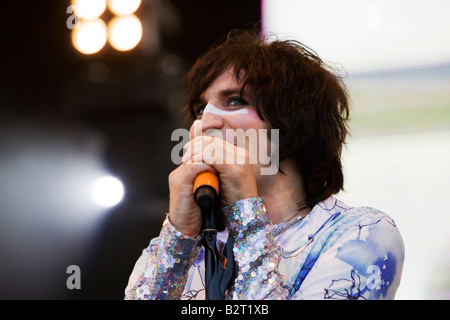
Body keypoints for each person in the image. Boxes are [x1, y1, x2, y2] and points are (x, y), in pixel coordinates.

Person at [124, 30, 405, 300]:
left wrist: (246, 210)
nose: (205, 122)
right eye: (200, 110)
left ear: (293, 125)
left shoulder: (360, 234)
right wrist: (179, 237)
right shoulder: (164, 252)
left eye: (234, 101)